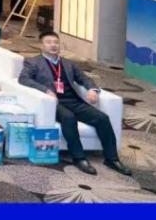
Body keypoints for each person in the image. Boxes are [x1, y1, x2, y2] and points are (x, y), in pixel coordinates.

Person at [18, 32, 131, 175]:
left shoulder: (68, 63)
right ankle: (79, 158)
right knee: (69, 118)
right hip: (54, 103)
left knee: (102, 118)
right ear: (42, 45)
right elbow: (23, 79)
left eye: (56, 42)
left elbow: (84, 79)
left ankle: (112, 159)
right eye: (49, 42)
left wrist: (92, 89)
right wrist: (45, 90)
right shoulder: (33, 62)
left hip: (73, 100)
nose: (53, 45)